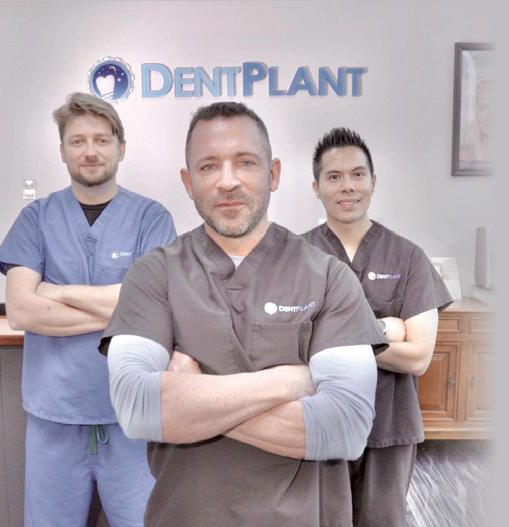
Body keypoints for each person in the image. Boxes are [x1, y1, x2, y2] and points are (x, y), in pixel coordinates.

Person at [98, 102, 387, 527]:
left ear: (273, 173)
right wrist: (290, 381)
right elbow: (137, 406)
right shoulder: (154, 275)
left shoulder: (329, 278)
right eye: (209, 166)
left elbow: (344, 427)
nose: (228, 181)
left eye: (245, 163)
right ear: (188, 182)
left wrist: (192, 395)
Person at [0, 92, 176, 527]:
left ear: (121, 148)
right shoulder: (35, 219)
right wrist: (122, 308)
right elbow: (21, 311)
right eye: (77, 141)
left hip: (132, 416)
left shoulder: (151, 218)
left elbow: (155, 303)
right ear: (62, 151)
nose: (90, 151)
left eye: (101, 140)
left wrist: (55, 292)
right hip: (55, 416)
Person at [303, 127, 452, 527]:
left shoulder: (408, 257)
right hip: (319, 423)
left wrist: (331, 337)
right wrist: (383, 330)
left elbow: (418, 358)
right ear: (316, 187)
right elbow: (286, 345)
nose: (347, 186)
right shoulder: (296, 257)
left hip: (389, 426)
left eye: (357, 174)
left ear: (373, 181)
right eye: (334, 177)